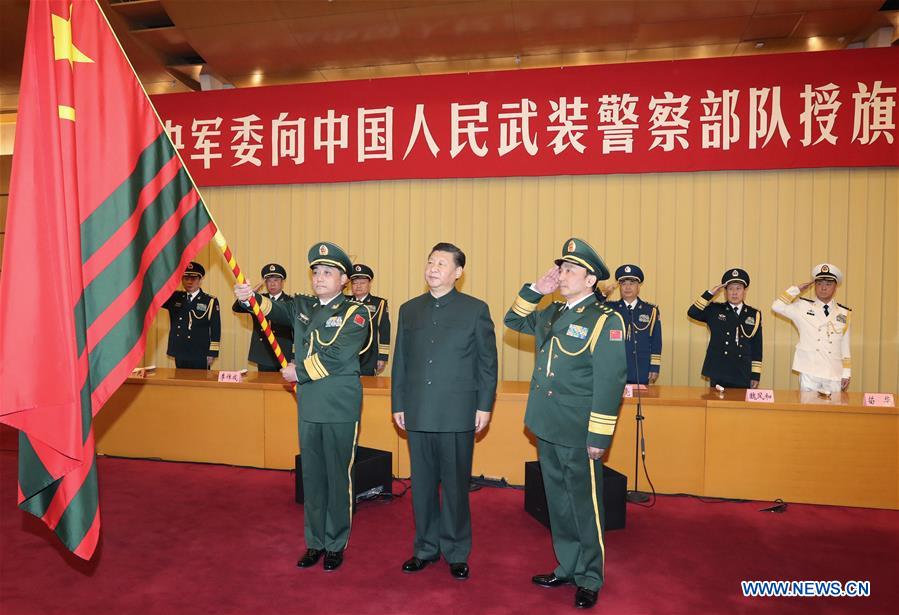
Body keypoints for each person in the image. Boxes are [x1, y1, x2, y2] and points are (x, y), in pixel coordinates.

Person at [504, 237, 627, 610]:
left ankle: (590, 575)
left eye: (571, 270)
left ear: (591, 280)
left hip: (578, 427)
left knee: (585, 505)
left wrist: (599, 435)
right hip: (547, 422)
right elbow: (512, 320)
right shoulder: (554, 312)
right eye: (562, 268)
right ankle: (567, 565)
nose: (562, 274)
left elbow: (610, 381)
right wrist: (535, 290)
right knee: (557, 501)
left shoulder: (606, 319)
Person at [234, 242, 370, 572]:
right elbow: (273, 309)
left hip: (338, 406)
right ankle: (315, 542)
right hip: (309, 404)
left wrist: (301, 371)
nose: (320, 278)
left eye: (328, 273)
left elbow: (339, 355)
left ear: (343, 281)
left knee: (338, 477)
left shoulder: (357, 313)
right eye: (316, 272)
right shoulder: (303, 306)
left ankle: (336, 543)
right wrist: (248, 298)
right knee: (313, 476)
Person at [391, 242, 497, 581]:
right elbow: (401, 363)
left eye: (441, 263)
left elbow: (487, 363)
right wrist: (398, 404)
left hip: (458, 412)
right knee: (421, 485)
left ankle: (455, 550)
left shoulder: (475, 309)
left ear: (458, 272)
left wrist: (484, 405)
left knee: (454, 486)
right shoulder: (410, 310)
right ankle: (425, 548)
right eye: (430, 261)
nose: (433, 267)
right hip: (419, 410)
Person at [772, 263, 851, 393]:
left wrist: (846, 372)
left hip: (834, 372)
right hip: (810, 371)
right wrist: (796, 290)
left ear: (836, 286)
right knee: (808, 411)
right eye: (819, 283)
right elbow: (777, 306)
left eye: (828, 284)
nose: (823, 288)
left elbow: (844, 345)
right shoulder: (802, 307)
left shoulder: (844, 313)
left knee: (834, 411)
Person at [687, 268, 763, 389]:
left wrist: (755, 374)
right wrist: (709, 294)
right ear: (725, 292)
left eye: (738, 288)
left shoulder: (754, 314)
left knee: (741, 406)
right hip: (719, 370)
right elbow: (692, 312)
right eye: (730, 289)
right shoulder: (715, 310)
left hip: (742, 371)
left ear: (744, 291)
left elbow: (757, 347)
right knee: (716, 405)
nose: (734, 292)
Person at [597, 264, 662, 385]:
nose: (627, 287)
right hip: (614, 368)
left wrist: (654, 366)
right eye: (623, 283)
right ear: (619, 287)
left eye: (631, 283)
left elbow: (656, 341)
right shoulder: (610, 308)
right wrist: (604, 294)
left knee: (639, 402)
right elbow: (590, 308)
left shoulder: (650, 310)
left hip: (641, 368)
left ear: (639, 286)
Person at [232, 263, 294, 371]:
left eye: (276, 280)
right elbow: (236, 308)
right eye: (269, 281)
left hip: (283, 352)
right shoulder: (258, 300)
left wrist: (293, 355)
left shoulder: (290, 302)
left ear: (282, 282)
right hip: (263, 353)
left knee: (283, 387)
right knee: (263, 386)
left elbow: (296, 331)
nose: (272, 284)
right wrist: (250, 295)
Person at [163, 261, 220, 369]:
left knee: (200, 384)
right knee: (180, 382)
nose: (189, 282)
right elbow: (156, 296)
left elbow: (215, 328)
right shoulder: (175, 297)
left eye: (193, 279)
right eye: (186, 278)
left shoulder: (209, 300)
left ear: (200, 280)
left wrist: (212, 353)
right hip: (179, 350)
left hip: (200, 352)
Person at [349, 264, 390, 376]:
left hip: (369, 355)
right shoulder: (344, 303)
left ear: (369, 284)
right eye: (355, 283)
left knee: (367, 388)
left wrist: (382, 356)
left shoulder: (379, 303)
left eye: (362, 283)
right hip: (346, 355)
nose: (358, 286)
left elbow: (384, 330)